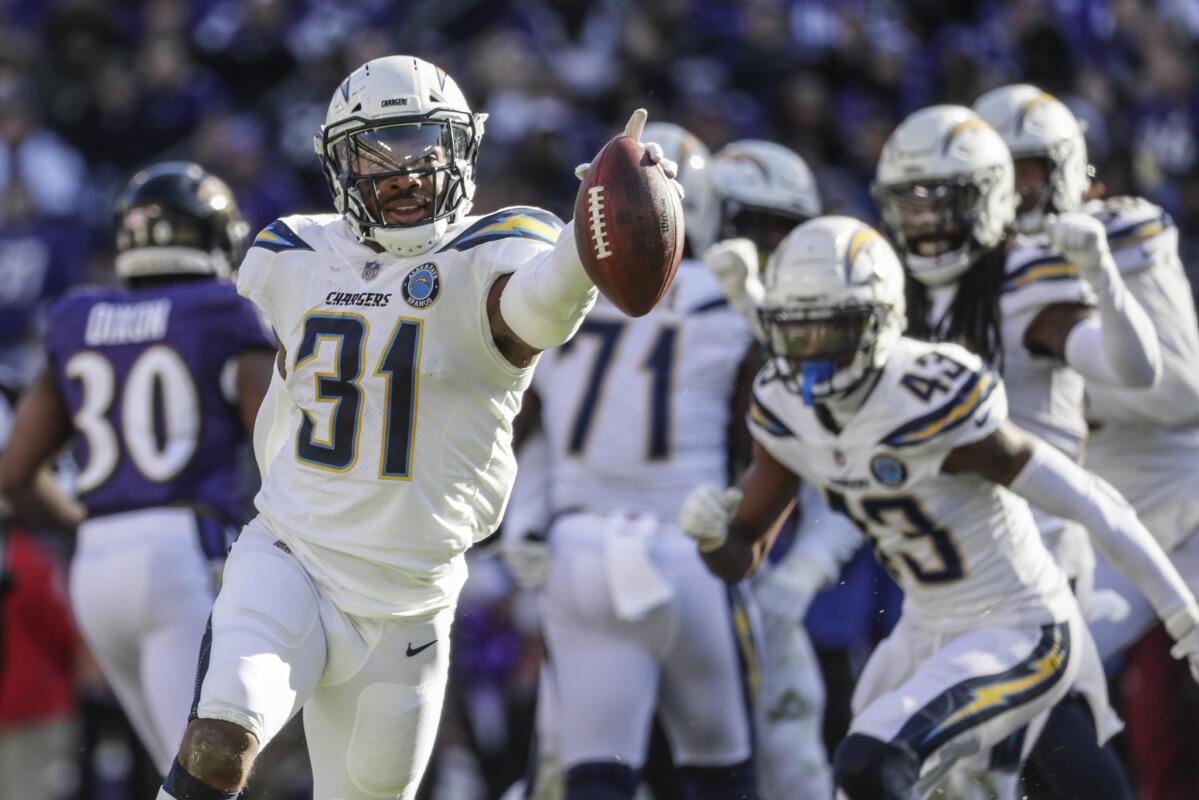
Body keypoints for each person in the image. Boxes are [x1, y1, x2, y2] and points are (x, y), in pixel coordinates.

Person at [145, 55, 679, 800]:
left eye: (423, 146)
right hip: (291, 553)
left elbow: (538, 304)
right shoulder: (291, 254)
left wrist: (591, 241)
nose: (403, 174)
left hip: (410, 600)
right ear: (338, 165)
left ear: (461, 148)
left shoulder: (496, 251)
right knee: (217, 744)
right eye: (377, 152)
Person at [676, 215, 1199, 800]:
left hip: (1021, 625)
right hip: (924, 631)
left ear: (880, 322)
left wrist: (1183, 618)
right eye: (798, 333)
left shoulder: (929, 398)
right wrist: (710, 537)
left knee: (872, 764)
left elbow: (1088, 499)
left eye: (834, 330)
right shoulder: (782, 404)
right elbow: (740, 555)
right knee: (881, 782)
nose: (813, 355)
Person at [871, 104, 1163, 794]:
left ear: (992, 198)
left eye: (945, 201)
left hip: (1035, 564)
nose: (928, 220)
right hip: (943, 572)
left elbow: (1133, 370)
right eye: (911, 203)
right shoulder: (899, 293)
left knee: (1041, 752)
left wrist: (1102, 276)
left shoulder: (1026, 279)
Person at [503, 121, 761, 800]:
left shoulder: (559, 298)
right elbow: (767, 441)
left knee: (592, 779)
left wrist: (526, 521)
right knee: (725, 774)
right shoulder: (727, 297)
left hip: (577, 552)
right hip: (688, 551)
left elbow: (518, 428)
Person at [0, 161, 275, 776]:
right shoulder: (222, 310)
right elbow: (280, 444)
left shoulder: (78, 317)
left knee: (177, 771)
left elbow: (15, 473)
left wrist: (85, 531)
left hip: (98, 567)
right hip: (183, 553)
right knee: (213, 773)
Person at [974, 84, 1199, 663]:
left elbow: (1180, 389)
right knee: (1038, 676)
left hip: (1183, 506)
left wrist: (1052, 384)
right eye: (995, 173)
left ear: (1063, 169)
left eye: (1024, 171)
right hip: (1097, 524)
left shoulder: (1120, 234)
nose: (1012, 191)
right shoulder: (973, 268)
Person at [707, 138, 844, 800]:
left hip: (772, 577)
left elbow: (842, 473)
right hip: (681, 569)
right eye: (748, 226)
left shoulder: (810, 329)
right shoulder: (676, 318)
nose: (762, 245)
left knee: (797, 761)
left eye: (778, 230)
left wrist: (803, 571)